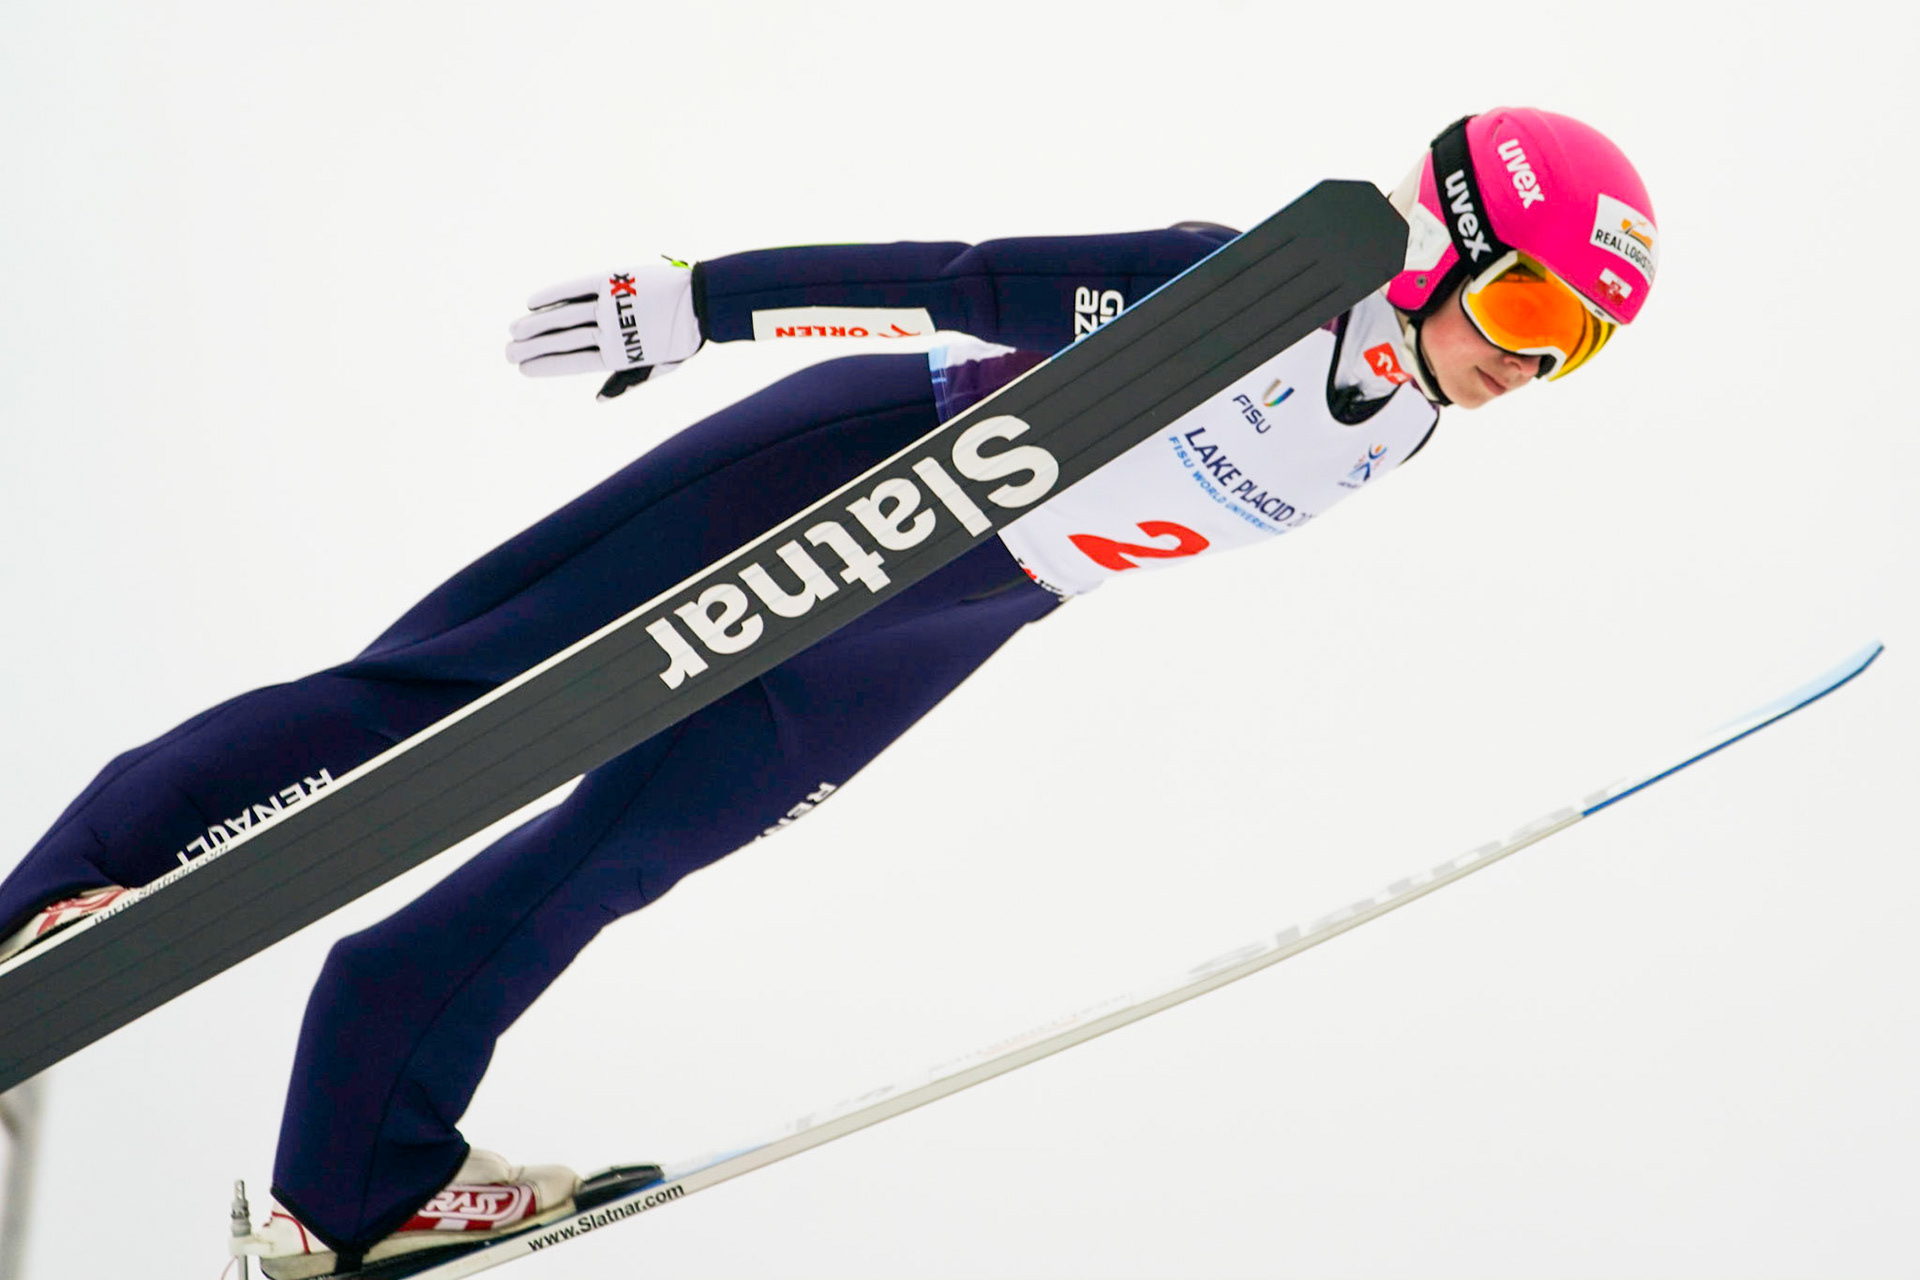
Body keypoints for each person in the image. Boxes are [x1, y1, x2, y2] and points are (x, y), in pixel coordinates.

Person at [0, 107, 1657, 1277]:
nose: (1527, 364)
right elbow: (959, 274)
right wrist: (695, 303)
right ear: (1436, 244)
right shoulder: (1248, 287)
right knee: (456, 689)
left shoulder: (1412, 423)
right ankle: (82, 886)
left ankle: (355, 1179)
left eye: (1570, 348)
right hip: (865, 467)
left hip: (954, 612)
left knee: (614, 858)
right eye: (1523, 306)